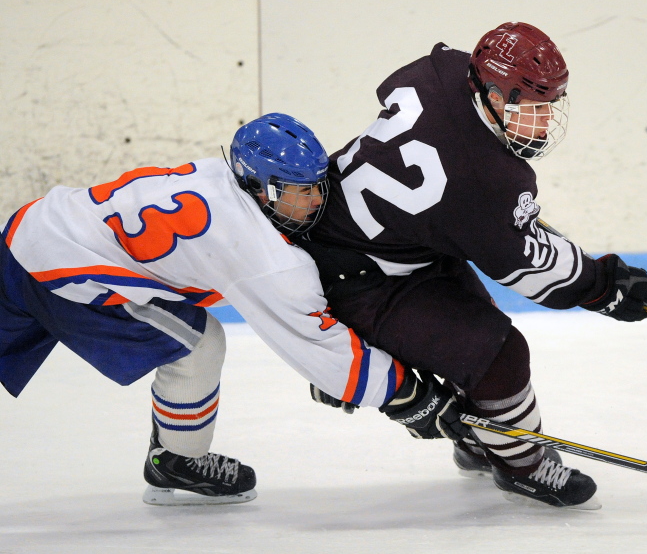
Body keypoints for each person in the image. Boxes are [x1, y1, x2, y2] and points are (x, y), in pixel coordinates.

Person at [1, 113, 468, 505]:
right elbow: (317, 345)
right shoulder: (257, 252)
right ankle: (177, 460)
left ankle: (175, 455)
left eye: (315, 186)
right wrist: (407, 398)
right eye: (293, 190)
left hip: (31, 228)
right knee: (198, 345)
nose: (312, 201)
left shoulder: (219, 178)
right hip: (61, 271)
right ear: (257, 186)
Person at [301, 22, 647, 509]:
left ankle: (480, 442)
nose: (543, 120)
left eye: (548, 105)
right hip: (359, 276)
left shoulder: (445, 69)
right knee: (499, 355)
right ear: (491, 93)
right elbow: (532, 271)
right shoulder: (483, 181)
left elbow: (397, 95)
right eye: (531, 106)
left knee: (473, 327)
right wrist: (604, 287)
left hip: (393, 241)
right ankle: (523, 466)